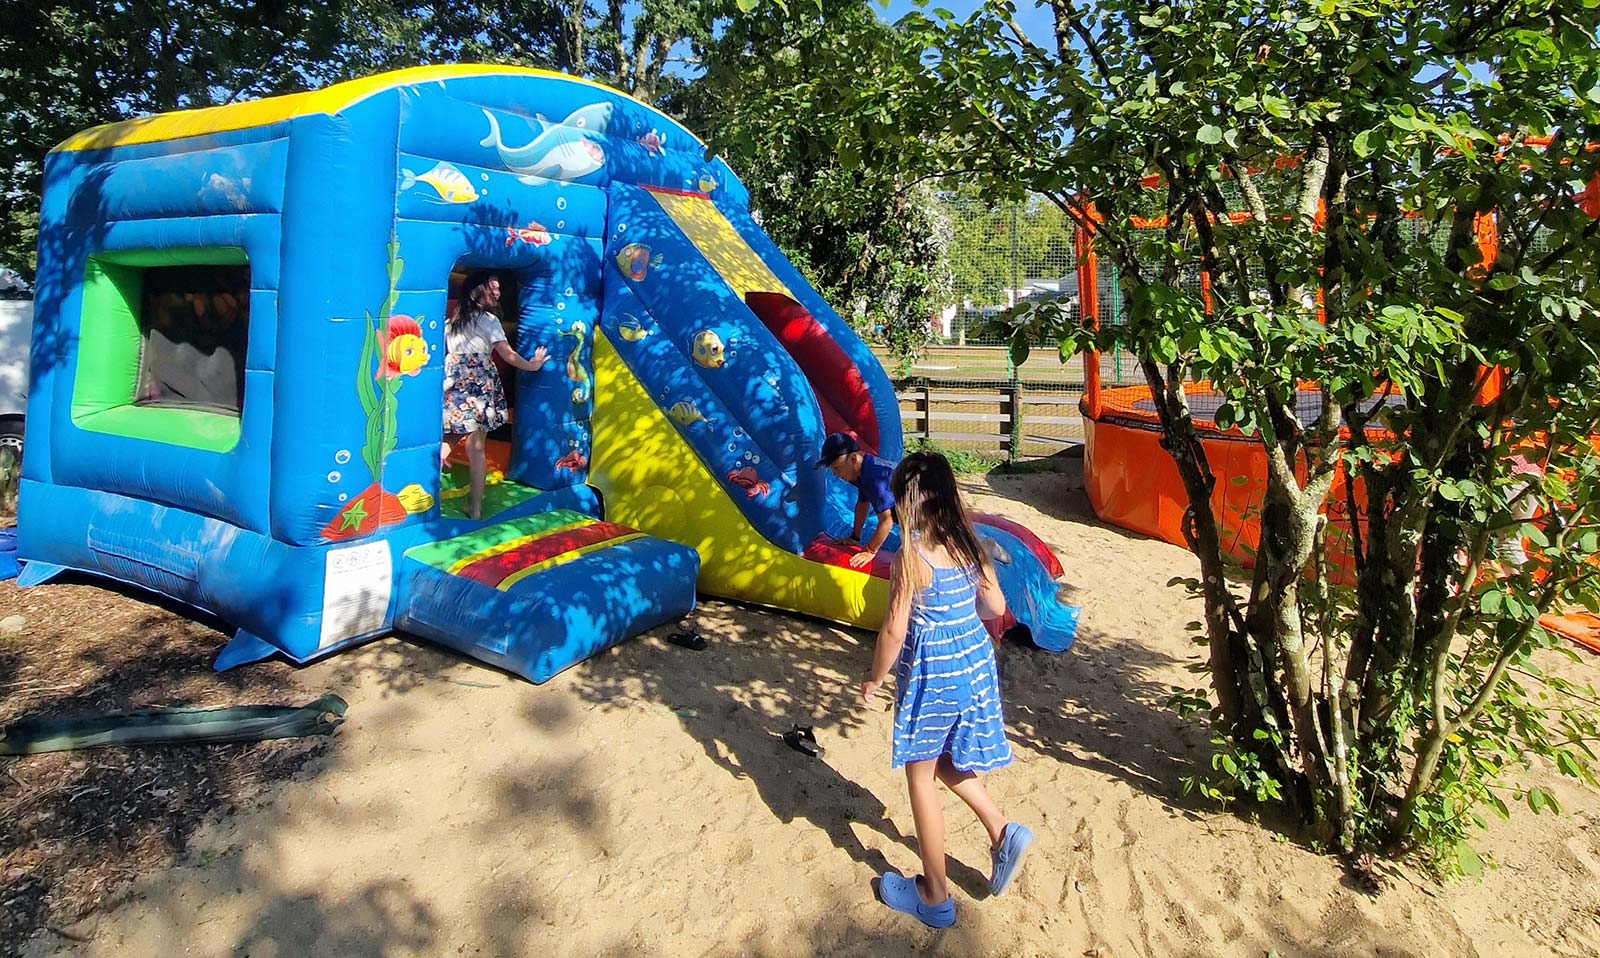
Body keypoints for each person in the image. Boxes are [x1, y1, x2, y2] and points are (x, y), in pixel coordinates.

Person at [860, 452, 1033, 928]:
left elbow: (893, 630)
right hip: (975, 668)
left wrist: (875, 678)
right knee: (946, 760)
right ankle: (1003, 832)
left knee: (920, 777)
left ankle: (934, 896)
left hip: (934, 673)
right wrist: (959, 624)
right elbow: (994, 604)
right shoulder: (969, 543)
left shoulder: (911, 556)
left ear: (908, 502)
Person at [443, 272, 549, 520]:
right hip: (478, 384)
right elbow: (507, 354)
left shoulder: (452, 322)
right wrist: (532, 365)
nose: (498, 293)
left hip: (454, 382)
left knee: (449, 438)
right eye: (493, 288)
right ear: (475, 290)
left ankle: (418, 493)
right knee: (476, 447)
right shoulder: (488, 320)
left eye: (499, 288)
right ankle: (476, 508)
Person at [816, 432, 897, 569]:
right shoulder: (863, 470)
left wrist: (870, 551)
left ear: (853, 458)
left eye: (836, 467)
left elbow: (886, 521)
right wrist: (855, 536)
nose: (835, 474)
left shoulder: (874, 478)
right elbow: (862, 504)